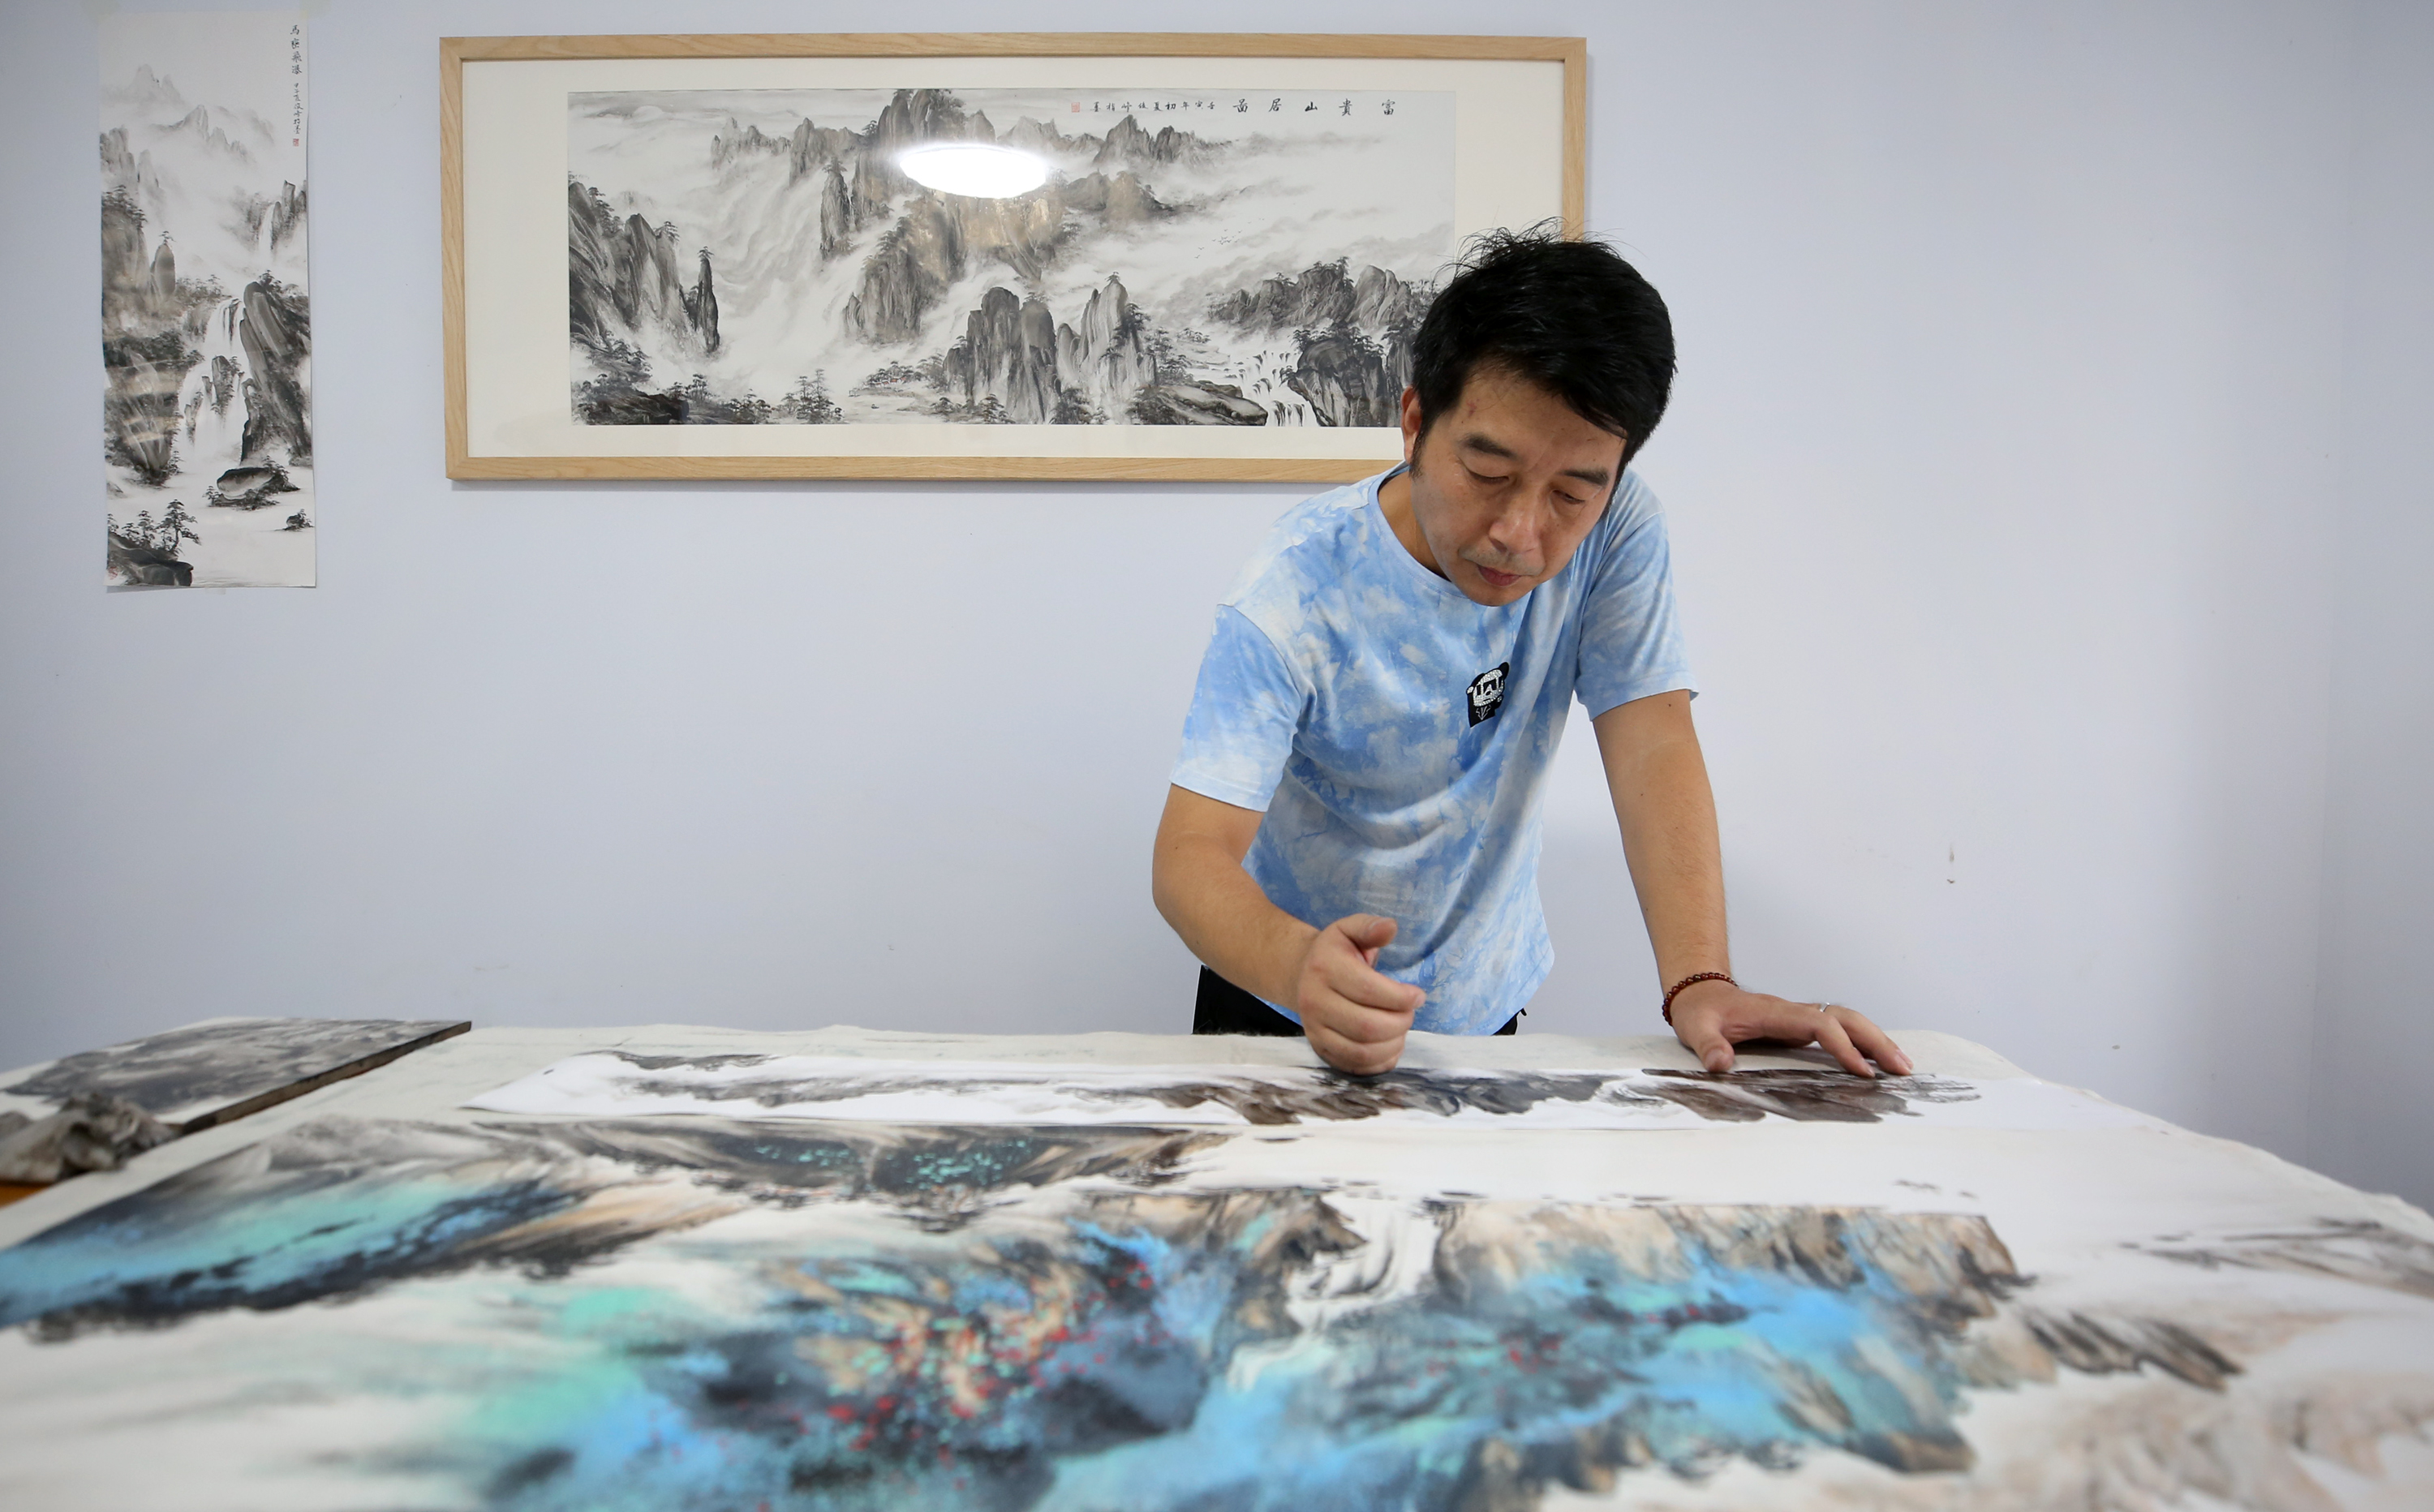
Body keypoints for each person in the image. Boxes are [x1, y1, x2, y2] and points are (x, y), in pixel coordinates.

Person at [1152, 227, 1912, 1080]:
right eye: (1488, 473)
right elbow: (1189, 857)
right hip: (1281, 993)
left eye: (1572, 494)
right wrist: (1298, 966)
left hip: (1481, 1001)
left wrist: (1700, 980)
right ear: (1415, 423)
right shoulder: (1293, 591)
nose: (1520, 533)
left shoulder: (1619, 529)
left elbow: (1652, 739)